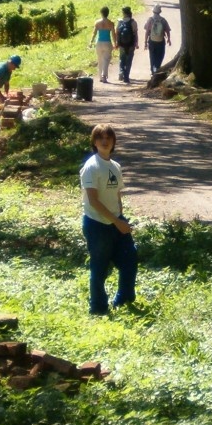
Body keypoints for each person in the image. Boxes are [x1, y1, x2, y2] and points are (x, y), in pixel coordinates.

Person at [80, 123, 137, 315]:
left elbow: (117, 195)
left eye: (108, 138)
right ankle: (98, 307)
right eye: (100, 138)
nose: (104, 142)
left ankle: (124, 298)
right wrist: (116, 221)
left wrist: (121, 218)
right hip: (97, 224)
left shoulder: (115, 166)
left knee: (130, 258)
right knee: (100, 267)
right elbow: (93, 201)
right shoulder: (91, 167)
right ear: (94, 142)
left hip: (116, 222)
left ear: (113, 142)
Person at [144, 4, 172, 74]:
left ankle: (153, 69)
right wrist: (169, 39)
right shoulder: (163, 20)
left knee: (152, 55)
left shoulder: (150, 20)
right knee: (160, 55)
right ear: (160, 12)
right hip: (161, 40)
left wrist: (145, 42)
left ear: (153, 11)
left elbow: (147, 31)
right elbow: (167, 30)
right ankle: (157, 67)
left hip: (152, 40)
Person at [90, 7, 116, 83]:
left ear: (101, 13)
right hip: (107, 42)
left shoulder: (97, 23)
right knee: (106, 60)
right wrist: (115, 43)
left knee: (100, 59)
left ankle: (101, 77)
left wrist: (91, 42)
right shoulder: (111, 23)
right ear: (108, 13)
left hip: (99, 43)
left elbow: (94, 33)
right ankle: (103, 75)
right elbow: (113, 35)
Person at [115, 6, 138, 83]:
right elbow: (135, 34)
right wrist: (136, 43)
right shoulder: (133, 22)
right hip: (131, 45)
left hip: (121, 45)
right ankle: (126, 77)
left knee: (122, 59)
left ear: (124, 13)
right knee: (129, 61)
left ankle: (121, 71)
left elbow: (117, 33)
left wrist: (117, 43)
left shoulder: (120, 22)